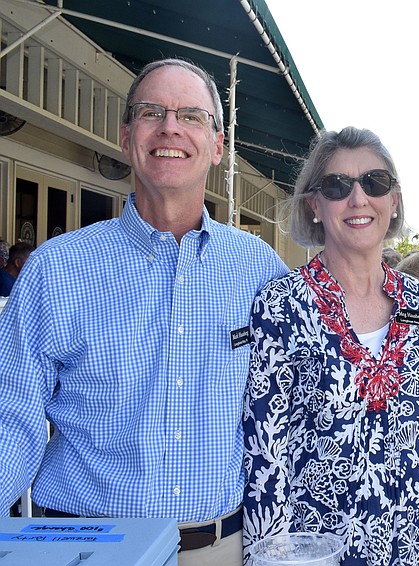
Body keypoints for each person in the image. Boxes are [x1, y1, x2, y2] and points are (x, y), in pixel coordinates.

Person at [0, 58, 287, 565]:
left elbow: (297, 400)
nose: (170, 127)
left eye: (191, 116)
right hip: (86, 549)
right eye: (152, 112)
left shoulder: (259, 269)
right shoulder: (57, 269)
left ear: (218, 146)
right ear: (126, 136)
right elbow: (11, 422)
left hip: (217, 550)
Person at [243, 127, 419, 565]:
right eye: (337, 186)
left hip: (417, 540)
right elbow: (266, 447)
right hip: (318, 550)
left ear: (393, 201)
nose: (358, 199)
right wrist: (273, 556)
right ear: (314, 205)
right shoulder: (283, 304)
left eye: (374, 182)